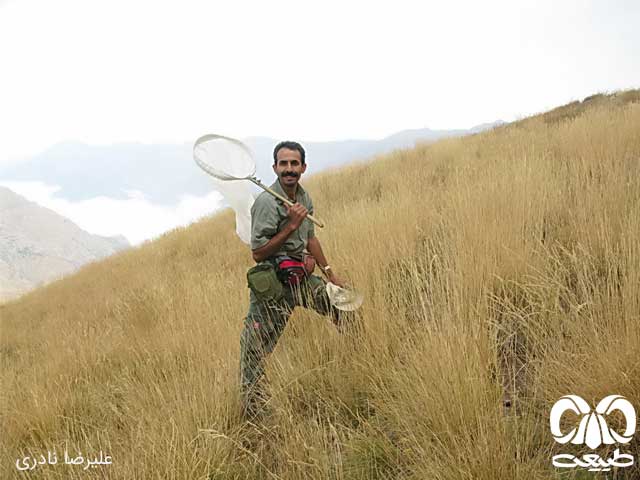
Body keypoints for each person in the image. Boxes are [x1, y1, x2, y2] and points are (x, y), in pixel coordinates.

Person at [239, 140, 350, 419]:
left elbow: (311, 238)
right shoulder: (266, 202)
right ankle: (253, 413)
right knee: (255, 347)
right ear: (275, 167)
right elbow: (258, 253)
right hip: (274, 285)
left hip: (300, 278)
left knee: (345, 306)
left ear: (303, 167)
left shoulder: (304, 198)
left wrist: (330, 274)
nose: (289, 169)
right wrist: (291, 226)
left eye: (294, 163)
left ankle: (356, 363)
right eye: (284, 164)